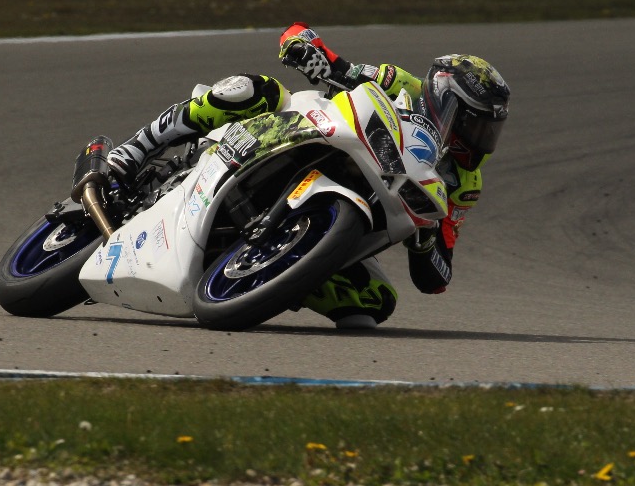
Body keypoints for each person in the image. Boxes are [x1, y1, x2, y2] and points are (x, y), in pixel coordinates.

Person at [105, 22, 510, 329]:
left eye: (490, 130)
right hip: (311, 135)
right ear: (444, 101)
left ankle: (275, 275)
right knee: (254, 89)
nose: (482, 140)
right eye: (475, 125)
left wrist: (425, 239)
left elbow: (437, 278)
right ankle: (137, 147)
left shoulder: (464, 185)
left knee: (373, 302)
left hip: (353, 214)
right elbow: (336, 64)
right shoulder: (401, 84)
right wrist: (306, 49)